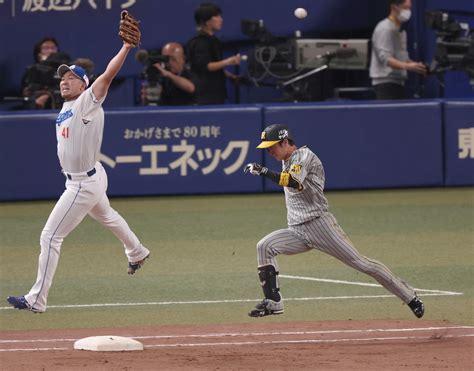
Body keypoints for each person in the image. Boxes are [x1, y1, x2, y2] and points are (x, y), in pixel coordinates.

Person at [7, 37, 150, 313]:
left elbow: (108, 75)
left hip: (82, 184)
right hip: (91, 177)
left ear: (84, 84)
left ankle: (37, 299)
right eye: (62, 77)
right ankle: (137, 251)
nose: (64, 81)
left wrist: (125, 47)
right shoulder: (67, 106)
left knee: (50, 237)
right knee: (108, 216)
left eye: (72, 77)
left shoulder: (87, 102)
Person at [243, 124, 425, 318]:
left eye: (272, 146)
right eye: (267, 148)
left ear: (286, 142)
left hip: (319, 226)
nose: (269, 151)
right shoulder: (287, 159)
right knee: (264, 246)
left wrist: (264, 171)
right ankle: (273, 303)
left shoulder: (303, 156)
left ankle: (410, 297)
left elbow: (294, 182)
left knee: (363, 264)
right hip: (296, 230)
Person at [369, 0, 427, 100]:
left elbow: (403, 59)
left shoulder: (400, 30)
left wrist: (417, 66)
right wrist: (408, 66)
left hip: (398, 82)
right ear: (394, 7)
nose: (408, 11)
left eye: (409, 8)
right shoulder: (384, 29)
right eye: (405, 8)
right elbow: (386, 59)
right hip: (385, 83)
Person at [186, 2, 241, 104]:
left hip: (217, 92)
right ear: (206, 21)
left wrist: (229, 76)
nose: (221, 19)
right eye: (216, 16)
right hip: (205, 96)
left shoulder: (214, 40)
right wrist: (228, 61)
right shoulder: (199, 42)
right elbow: (206, 66)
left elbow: (215, 64)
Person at [21, 37, 70, 109]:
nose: (50, 51)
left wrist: (49, 94)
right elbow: (28, 90)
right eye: (46, 48)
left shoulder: (65, 69)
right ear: (39, 54)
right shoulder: (32, 70)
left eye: (53, 48)